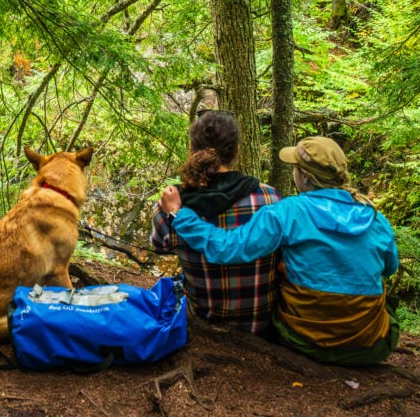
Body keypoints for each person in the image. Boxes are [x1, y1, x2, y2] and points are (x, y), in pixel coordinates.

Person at [160, 136, 399, 366]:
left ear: (304, 176)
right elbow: (389, 267)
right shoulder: (375, 218)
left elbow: (226, 248)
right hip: (372, 345)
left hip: (303, 340)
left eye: (295, 167)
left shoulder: (288, 211)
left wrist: (179, 215)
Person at [151, 110, 281, 335]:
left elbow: (160, 247)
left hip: (202, 322)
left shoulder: (171, 204)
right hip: (260, 325)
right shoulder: (270, 198)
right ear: (237, 150)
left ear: (192, 149)